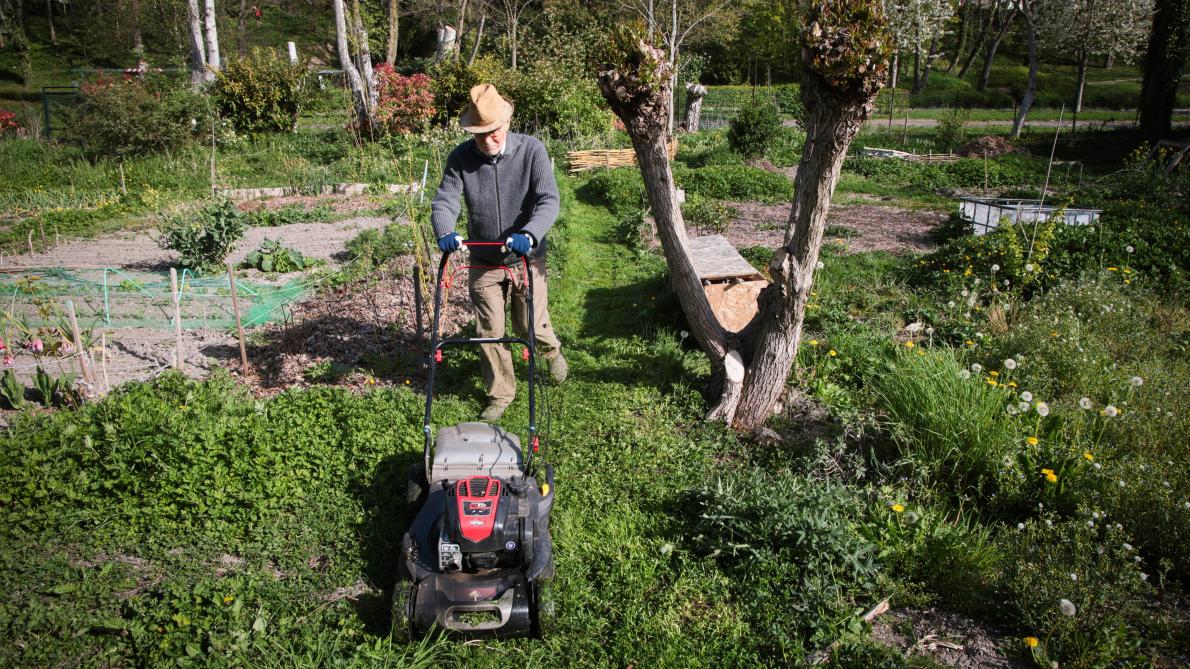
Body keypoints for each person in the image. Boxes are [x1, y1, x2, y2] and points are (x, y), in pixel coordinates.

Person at [431, 83, 568, 421]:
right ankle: (501, 393)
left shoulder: (531, 150)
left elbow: (549, 200)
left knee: (528, 325)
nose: (488, 139)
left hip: (526, 256)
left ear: (506, 123)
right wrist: (446, 231)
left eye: (493, 132)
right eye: (480, 134)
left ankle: (551, 352)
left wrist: (530, 234)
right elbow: (444, 201)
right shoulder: (460, 158)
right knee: (488, 331)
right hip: (483, 259)